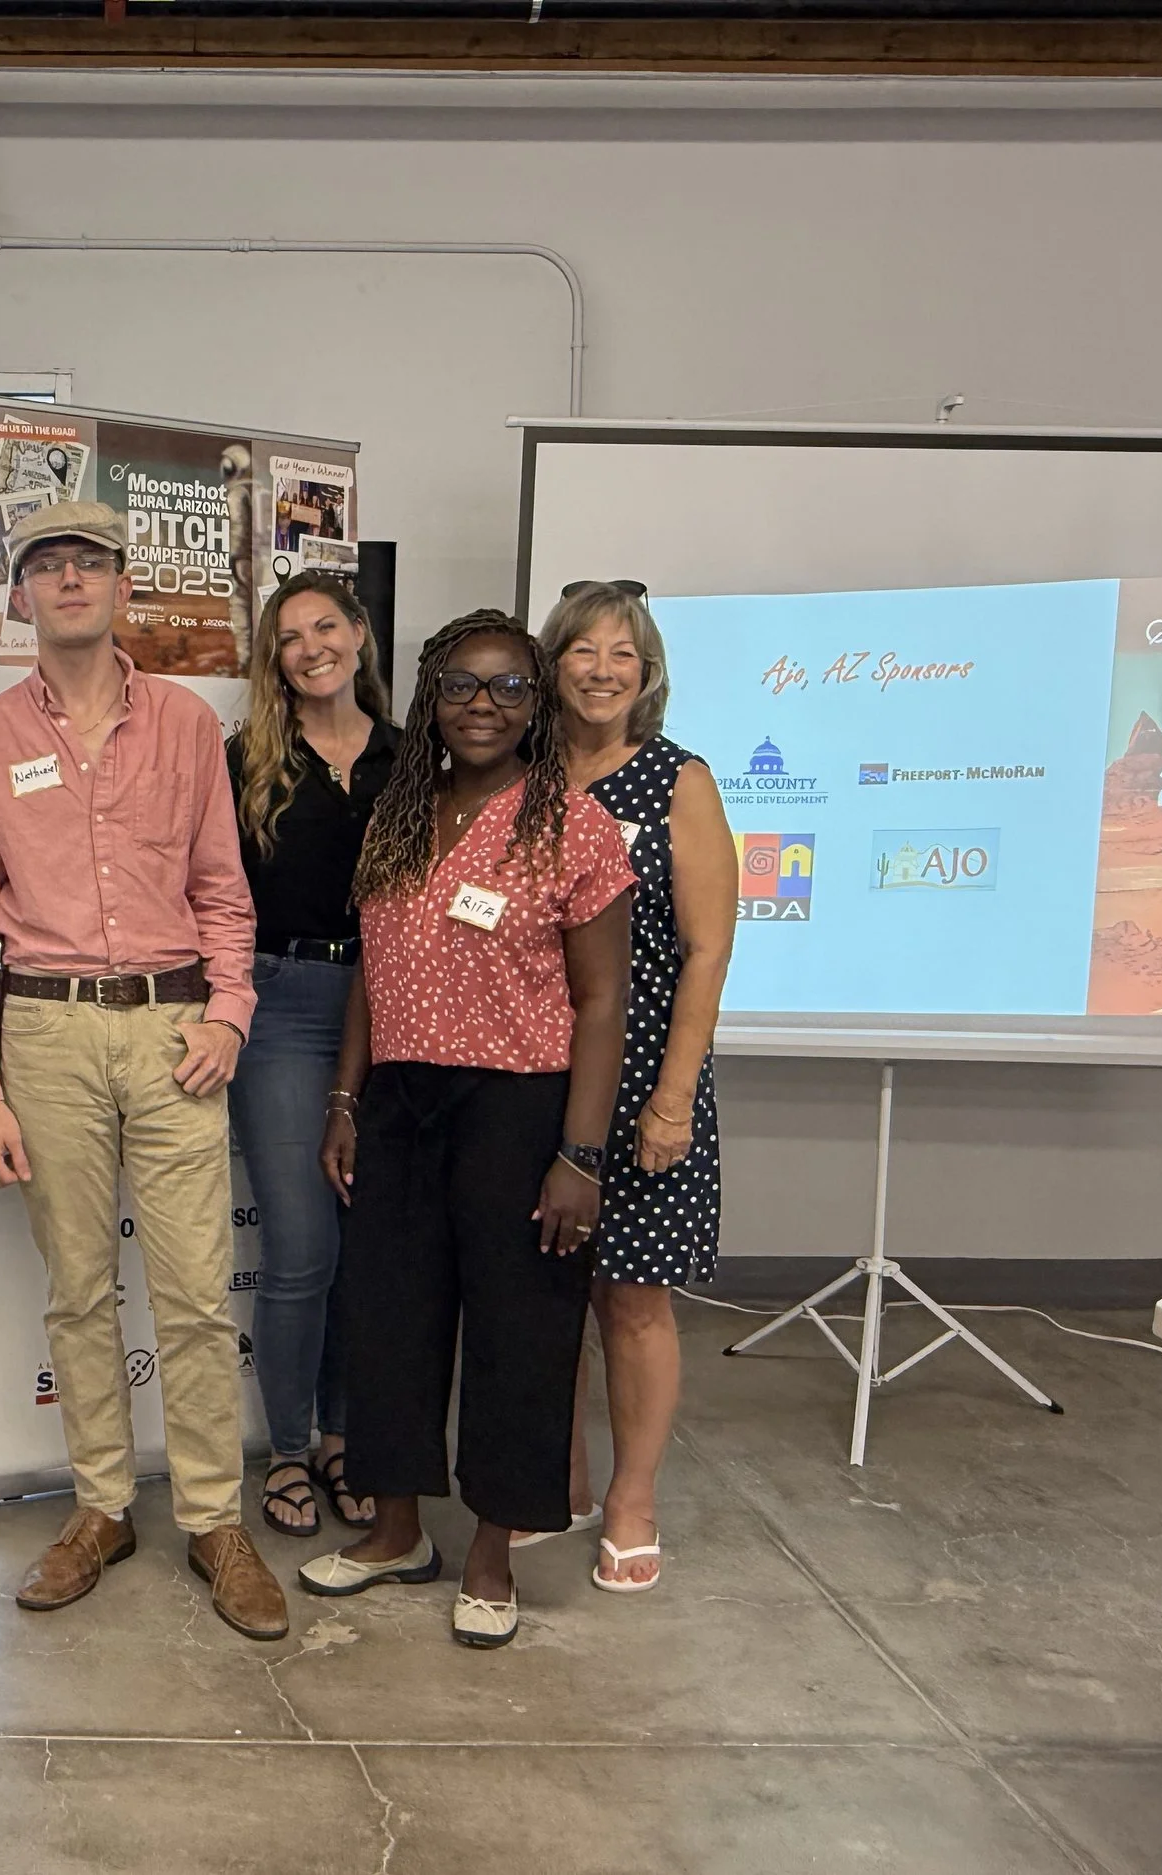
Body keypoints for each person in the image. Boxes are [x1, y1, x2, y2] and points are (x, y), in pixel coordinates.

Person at [0, 499, 288, 1642]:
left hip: (171, 1030)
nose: (70, 580)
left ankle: (211, 1519)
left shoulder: (188, 725)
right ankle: (100, 1507)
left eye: (89, 562)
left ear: (120, 585)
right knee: (79, 1290)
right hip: (42, 1034)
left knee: (193, 1293)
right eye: (47, 565)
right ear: (18, 595)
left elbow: (221, 891)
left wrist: (229, 1016)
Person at [302, 609, 634, 1649]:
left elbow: (604, 1001)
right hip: (400, 1099)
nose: (481, 706)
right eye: (460, 686)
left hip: (520, 1104)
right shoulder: (398, 816)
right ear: (429, 699)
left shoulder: (572, 823)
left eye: (506, 689)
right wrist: (348, 1100)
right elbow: (370, 974)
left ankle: (490, 1551)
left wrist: (579, 1155)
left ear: (536, 708)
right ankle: (395, 1529)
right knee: (388, 1318)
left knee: (519, 1329)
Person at [536, 580, 734, 1594]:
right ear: (553, 661)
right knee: (543, 1292)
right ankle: (557, 1482)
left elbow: (705, 950)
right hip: (534, 1070)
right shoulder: (519, 774)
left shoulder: (674, 780)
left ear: (645, 673)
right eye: (582, 649)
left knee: (631, 1299)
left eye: (622, 653)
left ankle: (631, 1499)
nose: (601, 668)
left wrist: (671, 1097)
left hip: (648, 1069)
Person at [224, 572, 395, 1539]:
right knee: (300, 1246)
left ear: (360, 634)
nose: (312, 646)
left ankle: (342, 1436)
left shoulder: (415, 760)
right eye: (290, 636)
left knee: (365, 1248)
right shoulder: (243, 758)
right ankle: (288, 1450)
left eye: (327, 624)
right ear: (274, 657)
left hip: (402, 1009)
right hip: (284, 1004)